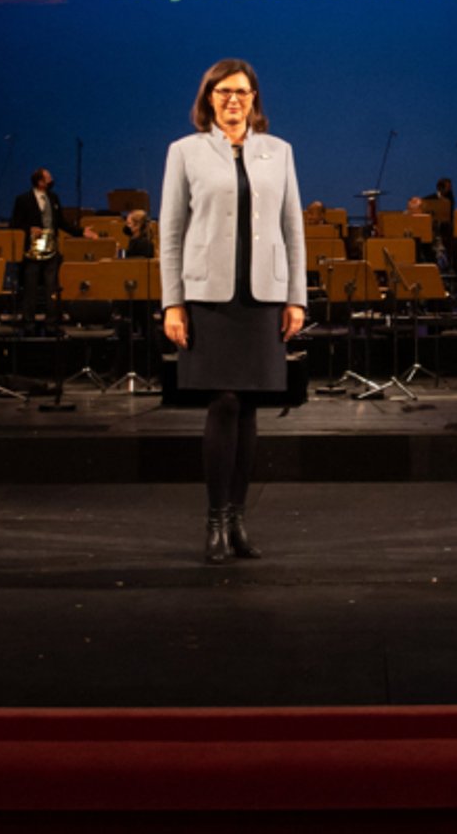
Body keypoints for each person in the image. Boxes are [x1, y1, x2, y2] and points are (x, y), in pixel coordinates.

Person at [161, 58, 307, 564]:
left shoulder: (279, 152)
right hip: (208, 298)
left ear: (254, 99)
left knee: (248, 407)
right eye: (223, 91)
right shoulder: (185, 152)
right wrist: (173, 301)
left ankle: (239, 520)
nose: (233, 100)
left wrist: (296, 297)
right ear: (208, 99)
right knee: (222, 402)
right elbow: (172, 233)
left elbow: (294, 230)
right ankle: (215, 520)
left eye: (242, 92)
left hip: (263, 297)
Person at [10, 167, 96, 328]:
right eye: (48, 177)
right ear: (40, 182)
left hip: (51, 249)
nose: (51, 180)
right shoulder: (23, 199)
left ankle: (52, 321)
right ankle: (28, 320)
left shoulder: (53, 198)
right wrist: (29, 228)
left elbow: (61, 222)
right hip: (32, 250)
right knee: (31, 285)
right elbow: (14, 223)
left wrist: (81, 232)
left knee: (52, 286)